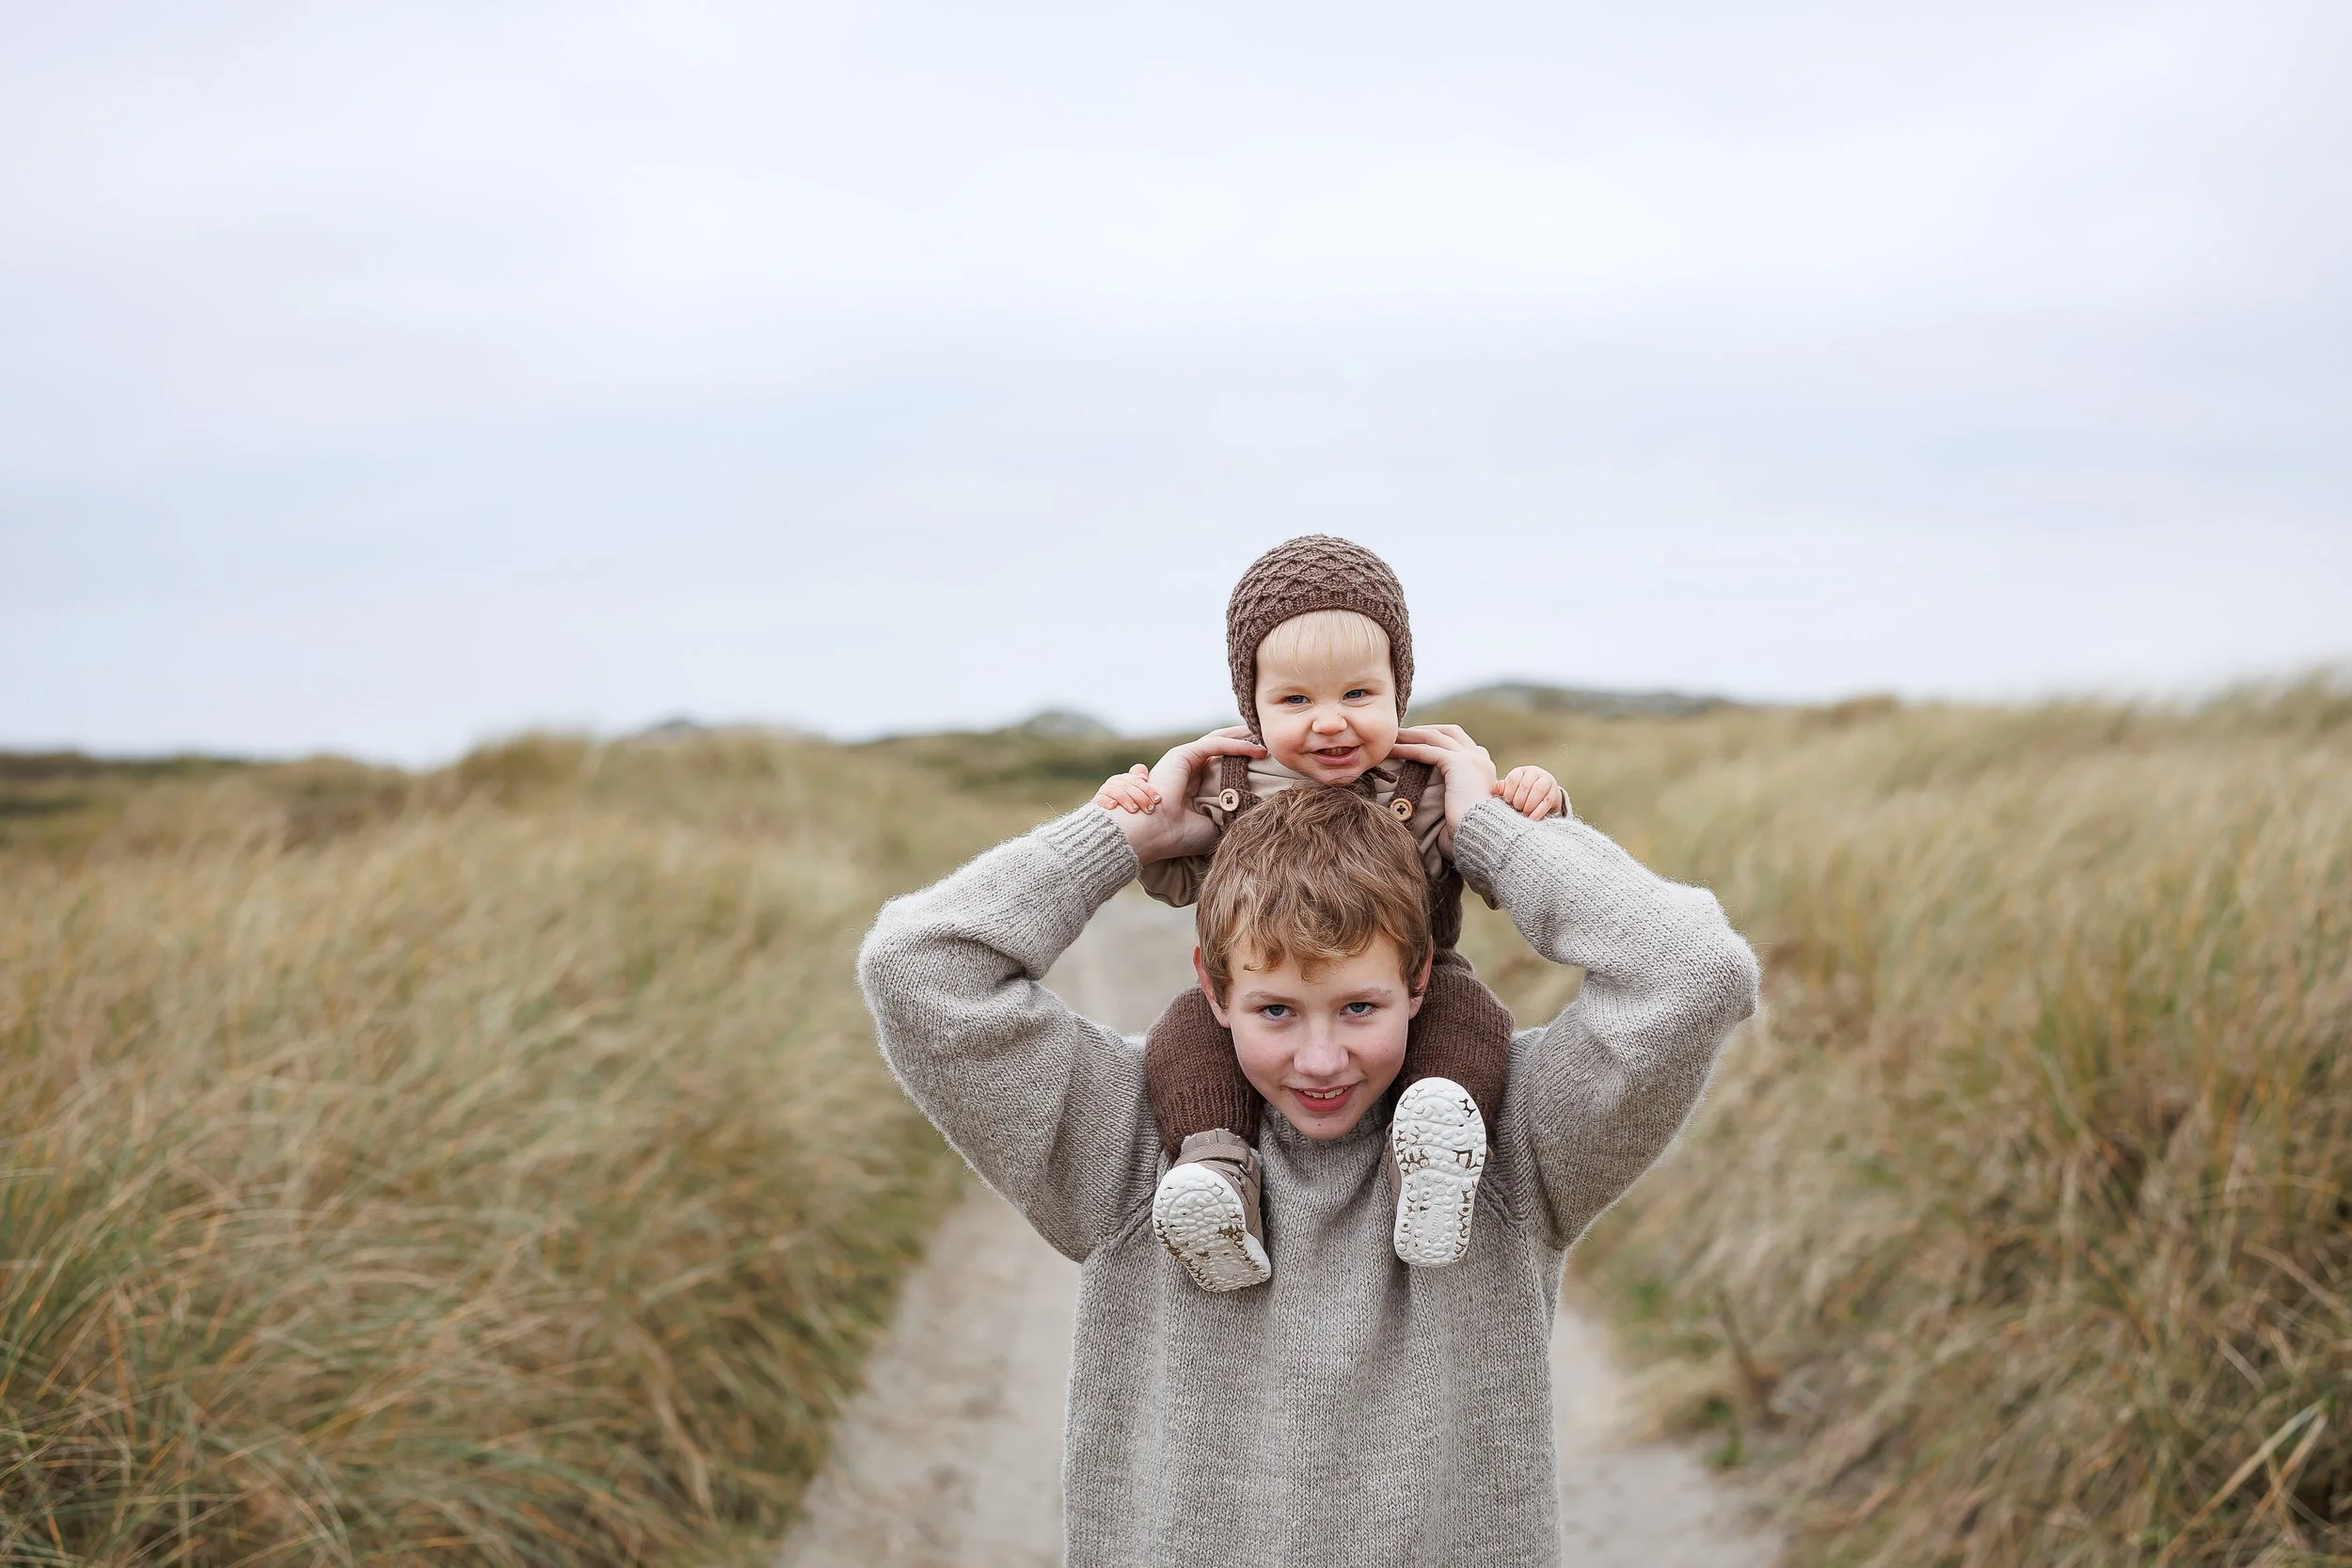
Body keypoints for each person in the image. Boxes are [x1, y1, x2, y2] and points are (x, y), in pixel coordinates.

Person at [859, 720, 1758, 1567]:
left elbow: (1694, 969)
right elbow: (916, 963)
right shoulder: (1132, 1137)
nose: (1320, 1059)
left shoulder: (1506, 1137)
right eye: (1276, 1010)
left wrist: (1493, 835)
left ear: (1417, 981)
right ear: (1214, 989)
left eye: (1359, 1006)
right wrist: (1122, 835)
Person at [1092, 533, 1567, 1289]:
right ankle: (1215, 1174)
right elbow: (1175, 879)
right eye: (1294, 700)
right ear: (1251, 706)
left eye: (1357, 694)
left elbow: (1508, 875)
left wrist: (1523, 805)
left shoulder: (1433, 779)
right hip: (1259, 975)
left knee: (1468, 1013)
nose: (1330, 722)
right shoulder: (1229, 786)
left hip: (1415, 973)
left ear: (1397, 690)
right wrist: (1143, 804)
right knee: (1186, 1033)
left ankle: (1435, 1158)